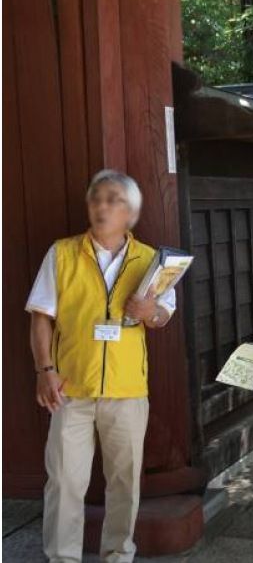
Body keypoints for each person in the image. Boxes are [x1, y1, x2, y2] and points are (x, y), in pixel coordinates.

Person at [26, 170, 177, 563]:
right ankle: (62, 558)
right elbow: (41, 316)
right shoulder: (62, 253)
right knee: (64, 483)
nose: (102, 206)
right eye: (96, 198)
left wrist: (151, 311)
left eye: (113, 199)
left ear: (131, 213)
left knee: (125, 483)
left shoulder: (151, 260)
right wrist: (45, 370)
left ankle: (118, 555)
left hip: (127, 391)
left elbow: (164, 315)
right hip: (69, 390)